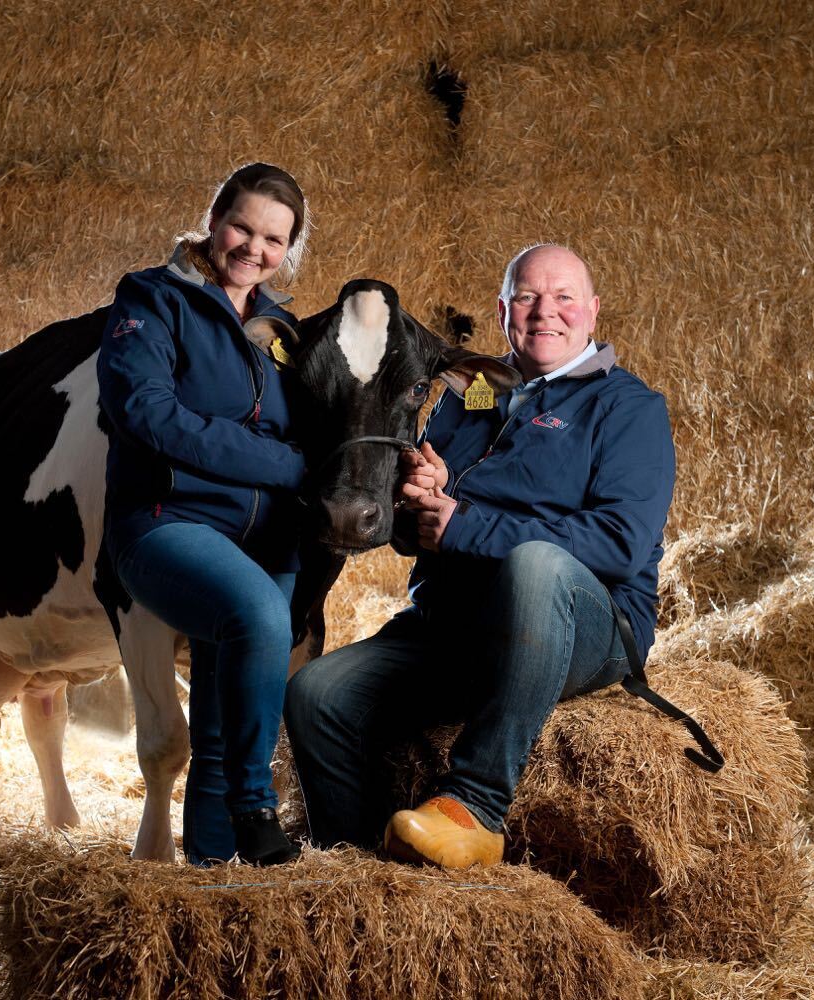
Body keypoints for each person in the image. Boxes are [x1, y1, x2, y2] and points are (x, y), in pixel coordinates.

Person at [284, 243, 683, 869]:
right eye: (527, 296)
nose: (544, 312)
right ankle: (359, 867)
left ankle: (475, 804)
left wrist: (466, 525)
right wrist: (419, 504)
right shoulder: (469, 395)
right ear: (503, 310)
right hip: (454, 626)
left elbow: (619, 543)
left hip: (584, 626)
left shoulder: (627, 408)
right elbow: (423, 534)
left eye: (563, 298)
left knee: (537, 565)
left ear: (593, 312)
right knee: (315, 693)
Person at [98, 163, 310, 866]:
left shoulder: (285, 329)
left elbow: (313, 429)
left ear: (290, 248)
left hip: (268, 540)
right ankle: (255, 805)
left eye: (275, 239)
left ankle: (215, 880)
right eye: (242, 227)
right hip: (165, 523)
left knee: (221, 724)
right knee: (259, 616)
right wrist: (285, 466)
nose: (255, 248)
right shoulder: (152, 298)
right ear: (213, 218)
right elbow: (146, 412)